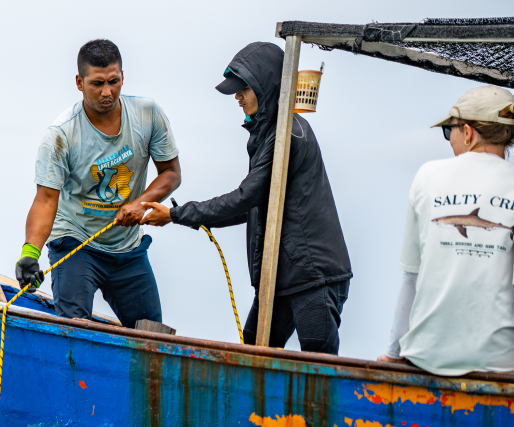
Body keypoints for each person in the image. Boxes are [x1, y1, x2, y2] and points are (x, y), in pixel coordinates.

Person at [140, 41, 352, 354]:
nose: (237, 97)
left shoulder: (288, 135)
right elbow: (253, 205)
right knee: (253, 348)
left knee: (319, 363)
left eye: (243, 89)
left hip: (313, 275)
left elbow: (246, 196)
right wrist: (182, 216)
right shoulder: (270, 133)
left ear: (266, 87)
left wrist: (176, 214)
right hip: (284, 275)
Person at [16, 39, 181, 328]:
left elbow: (171, 173)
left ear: (122, 77)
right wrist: (30, 253)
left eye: (113, 81)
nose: (107, 92)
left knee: (153, 335)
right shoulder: (61, 134)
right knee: (73, 329)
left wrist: (140, 203)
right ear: (79, 82)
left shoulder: (148, 114)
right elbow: (45, 200)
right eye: (97, 83)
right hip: (77, 242)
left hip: (128, 247)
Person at [377, 86, 514, 375]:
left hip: (427, 357)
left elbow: (410, 276)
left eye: (448, 131)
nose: (449, 141)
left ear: (468, 132)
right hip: (502, 363)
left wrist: (393, 353)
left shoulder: (427, 175)